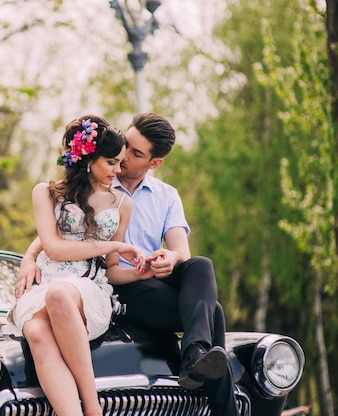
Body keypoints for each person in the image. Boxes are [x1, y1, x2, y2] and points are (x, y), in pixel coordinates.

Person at [16, 112, 238, 416]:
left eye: (134, 154)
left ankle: (195, 354)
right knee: (212, 312)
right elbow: (57, 235)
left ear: (154, 163)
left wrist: (169, 259)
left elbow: (181, 254)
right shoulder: (96, 179)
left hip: (141, 278)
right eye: (123, 149)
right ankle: (221, 403)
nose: (121, 162)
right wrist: (28, 257)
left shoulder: (165, 196)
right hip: (116, 287)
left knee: (200, 267)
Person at [5, 115, 145, 416]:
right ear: (89, 158)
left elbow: (111, 269)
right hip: (44, 285)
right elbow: (53, 248)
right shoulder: (45, 192)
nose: (118, 170)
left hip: (89, 289)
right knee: (38, 333)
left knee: (60, 294)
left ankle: (92, 406)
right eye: (111, 162)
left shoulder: (122, 203)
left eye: (121, 162)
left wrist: (140, 271)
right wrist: (115, 246)